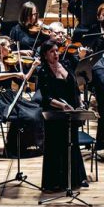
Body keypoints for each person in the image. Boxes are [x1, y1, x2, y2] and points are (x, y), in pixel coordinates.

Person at [34, 40, 88, 193]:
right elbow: (46, 98)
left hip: (71, 112)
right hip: (55, 114)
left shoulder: (66, 64)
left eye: (57, 50)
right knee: (56, 147)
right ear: (45, 55)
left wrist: (80, 103)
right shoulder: (43, 71)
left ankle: (75, 179)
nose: (56, 54)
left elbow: (75, 87)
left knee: (72, 143)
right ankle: (56, 182)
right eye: (52, 51)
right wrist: (62, 106)